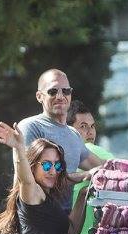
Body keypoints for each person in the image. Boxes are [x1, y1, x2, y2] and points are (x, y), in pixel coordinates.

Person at [16, 69, 107, 209]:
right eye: (53, 91)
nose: (60, 96)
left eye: (66, 91)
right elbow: (33, 179)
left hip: (64, 221)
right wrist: (85, 176)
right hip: (36, 220)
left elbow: (101, 167)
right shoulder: (30, 126)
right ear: (39, 96)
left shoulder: (74, 134)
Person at [68, 100, 115, 234]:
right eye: (83, 127)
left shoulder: (59, 156)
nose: (90, 133)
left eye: (93, 127)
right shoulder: (94, 152)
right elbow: (126, 174)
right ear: (69, 131)